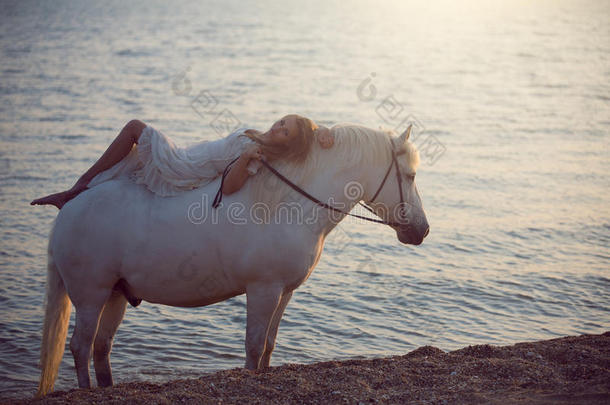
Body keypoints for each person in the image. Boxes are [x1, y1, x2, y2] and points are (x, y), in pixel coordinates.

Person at [30, 114, 335, 209]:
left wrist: (244, 158)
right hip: (186, 152)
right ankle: (77, 193)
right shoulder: (259, 139)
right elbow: (309, 130)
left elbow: (229, 188)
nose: (279, 127)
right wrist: (322, 130)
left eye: (286, 131)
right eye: (283, 122)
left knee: (135, 128)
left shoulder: (258, 156)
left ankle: (78, 186)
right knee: (126, 164)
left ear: (288, 143)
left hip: (184, 165)